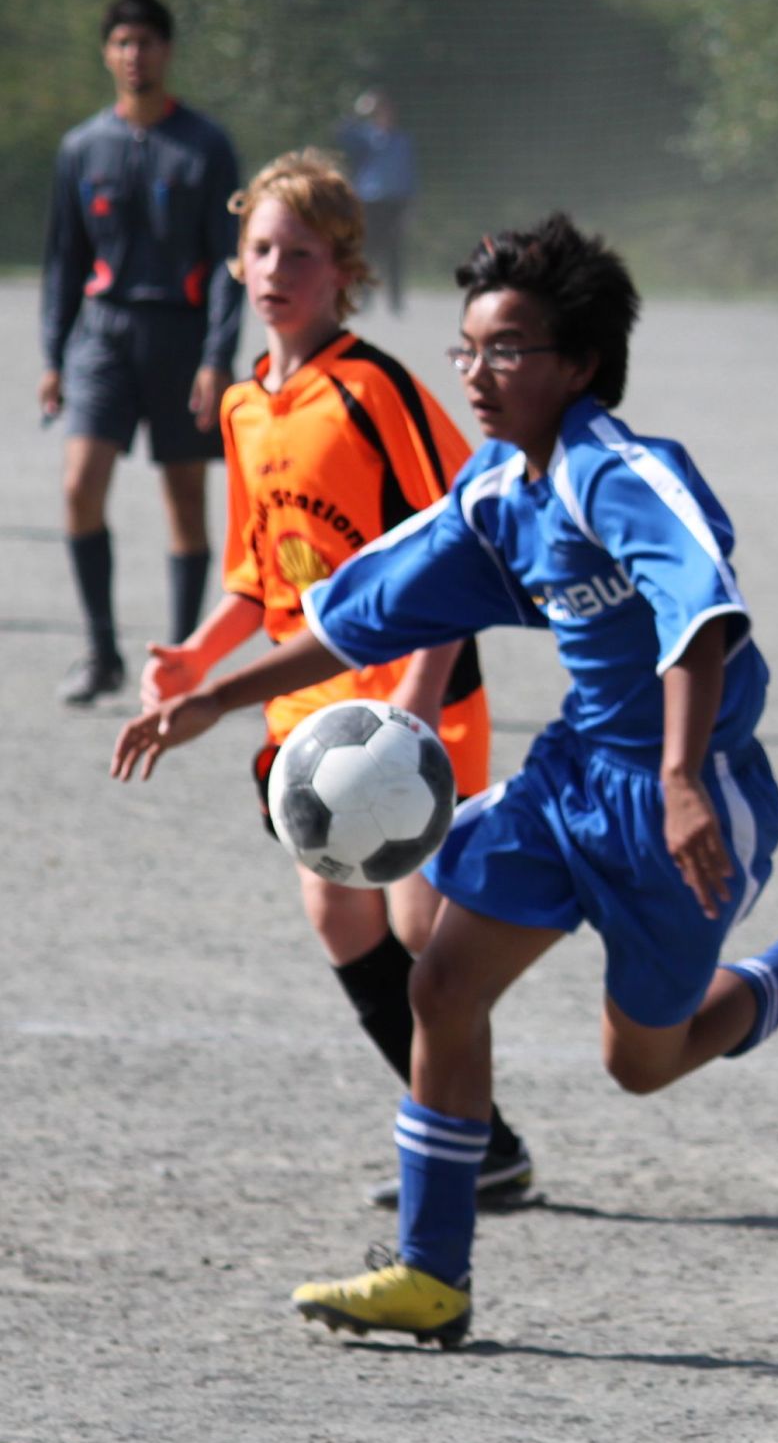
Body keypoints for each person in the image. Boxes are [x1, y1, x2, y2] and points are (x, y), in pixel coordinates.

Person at [112, 213, 778, 1347]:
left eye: (506, 349)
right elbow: (356, 614)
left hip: (684, 794)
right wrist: (214, 699)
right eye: (467, 348)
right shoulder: (496, 493)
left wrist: (678, 778)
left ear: (581, 365)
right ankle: (433, 1274)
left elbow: (701, 616)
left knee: (642, 1063)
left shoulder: (625, 473)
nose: (476, 373)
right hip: (569, 780)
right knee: (442, 985)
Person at [140, 149, 536, 1207]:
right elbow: (259, 576)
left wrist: (420, 689)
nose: (278, 270)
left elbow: (461, 541)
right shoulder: (242, 404)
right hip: (310, 711)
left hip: (417, 701)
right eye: (262, 249)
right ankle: (483, 1143)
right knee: (339, 918)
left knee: (424, 934)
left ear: (346, 272)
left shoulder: (374, 389)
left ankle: (472, 1140)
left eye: (303, 254)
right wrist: (197, 655)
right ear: (237, 262)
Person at [40, 0, 242, 705]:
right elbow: (65, 258)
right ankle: (102, 653)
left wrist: (217, 357)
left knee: (184, 497)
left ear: (167, 51)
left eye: (147, 42)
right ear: (107, 53)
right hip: (103, 335)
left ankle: (179, 664)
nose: (135, 55)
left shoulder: (206, 145)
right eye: (123, 43)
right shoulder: (81, 147)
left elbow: (229, 262)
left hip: (181, 337)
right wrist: (52, 355)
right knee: (79, 485)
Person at [335, 90, 416, 315]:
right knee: (367, 251)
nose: (385, 116)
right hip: (369, 202)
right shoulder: (364, 138)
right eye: (380, 112)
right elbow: (340, 133)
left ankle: (395, 302)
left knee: (394, 252)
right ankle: (364, 298)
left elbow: (410, 174)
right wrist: (357, 111)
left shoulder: (402, 141)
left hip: (395, 202)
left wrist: (411, 204)